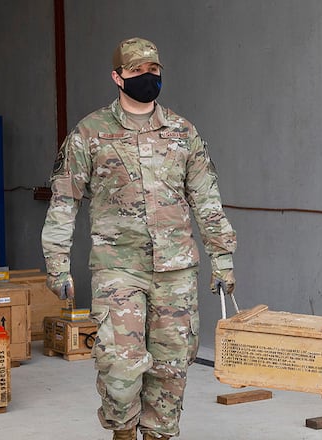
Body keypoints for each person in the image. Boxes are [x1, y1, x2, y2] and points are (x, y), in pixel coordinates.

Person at [41, 37, 237, 440]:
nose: (147, 77)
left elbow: (207, 200)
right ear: (118, 77)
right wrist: (57, 264)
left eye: (153, 70)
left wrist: (222, 259)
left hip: (176, 271)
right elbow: (64, 201)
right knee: (119, 367)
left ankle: (158, 435)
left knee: (171, 368)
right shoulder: (90, 133)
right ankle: (124, 432)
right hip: (118, 269)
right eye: (136, 71)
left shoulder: (182, 132)